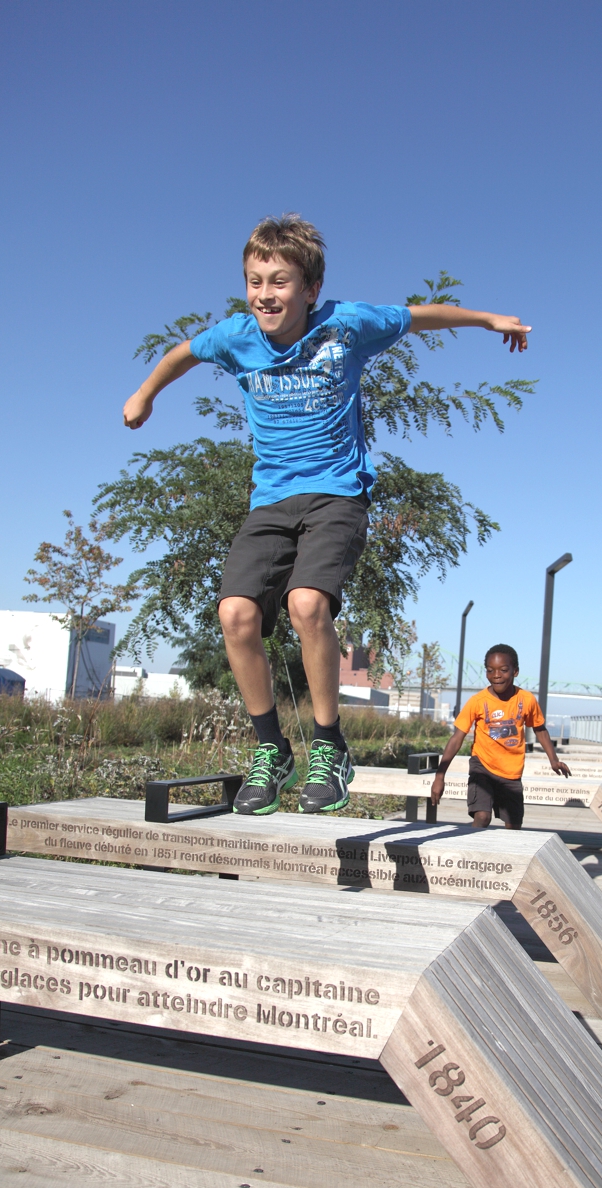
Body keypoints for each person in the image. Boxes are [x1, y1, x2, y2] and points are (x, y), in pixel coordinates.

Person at [123, 215, 530, 816]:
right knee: (234, 613)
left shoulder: (347, 325)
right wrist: (145, 393)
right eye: (255, 281)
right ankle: (271, 748)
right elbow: (182, 352)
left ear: (310, 289)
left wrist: (489, 319)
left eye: (280, 282)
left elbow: (422, 315)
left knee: (306, 604)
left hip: (338, 495)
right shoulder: (236, 337)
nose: (266, 294)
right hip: (271, 500)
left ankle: (329, 745)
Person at [430, 645, 570, 829]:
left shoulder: (526, 700)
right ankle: (472, 854)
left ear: (515, 671)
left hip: (511, 772)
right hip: (482, 767)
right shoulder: (477, 701)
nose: (496, 675)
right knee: (482, 816)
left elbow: (540, 729)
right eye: (490, 670)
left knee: (513, 826)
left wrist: (554, 760)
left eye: (503, 670)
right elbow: (457, 738)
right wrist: (440, 776)